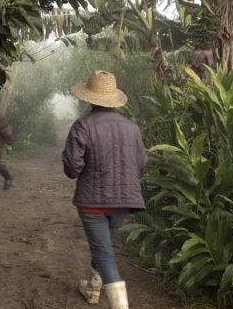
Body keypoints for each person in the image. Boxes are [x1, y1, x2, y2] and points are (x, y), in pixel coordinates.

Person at [62, 71, 147, 309]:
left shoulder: (83, 125)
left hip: (93, 203)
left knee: (103, 253)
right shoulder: (132, 128)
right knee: (103, 246)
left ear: (89, 98)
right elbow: (141, 162)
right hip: (123, 201)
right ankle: (92, 288)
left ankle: (120, 306)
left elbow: (72, 168)